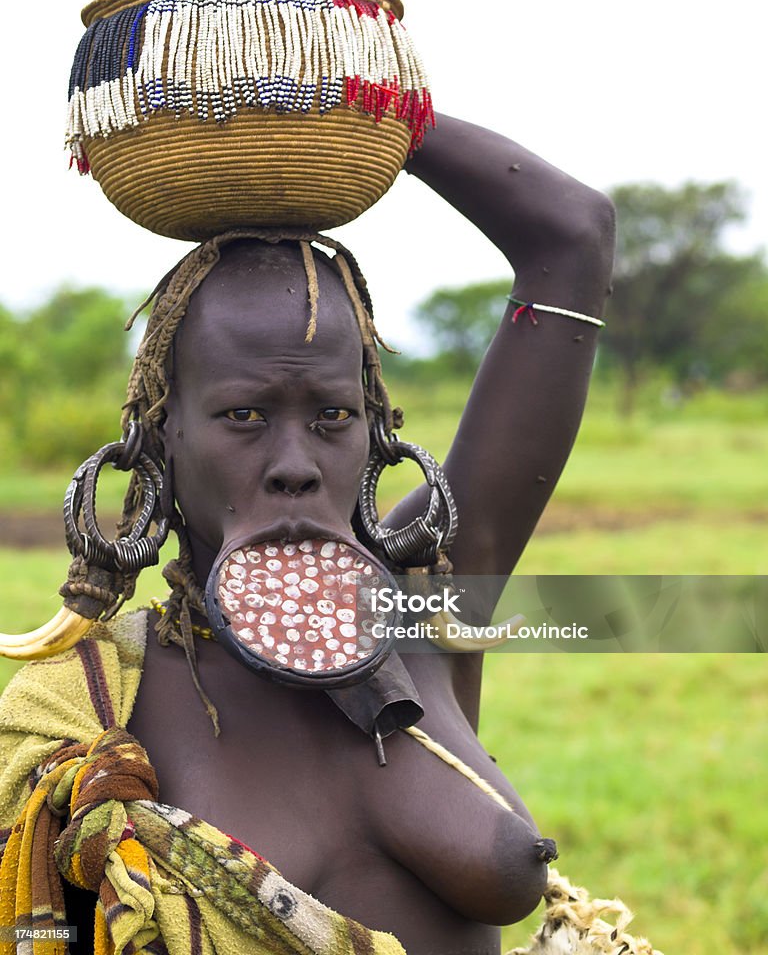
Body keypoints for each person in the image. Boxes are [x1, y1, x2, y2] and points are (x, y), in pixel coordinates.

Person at [0, 113, 615, 955]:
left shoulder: (427, 608)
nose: (296, 463)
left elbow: (573, 239)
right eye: (244, 415)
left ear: (378, 436)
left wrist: (377, 109)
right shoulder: (90, 713)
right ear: (160, 436)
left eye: (332, 415)